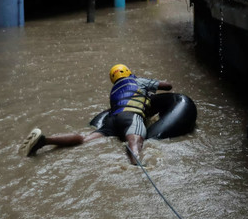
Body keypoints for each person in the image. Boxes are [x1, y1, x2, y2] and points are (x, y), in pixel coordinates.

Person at [20, 64, 172, 165]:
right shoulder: (138, 81)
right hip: (131, 116)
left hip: (112, 121)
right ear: (128, 72)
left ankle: (45, 140)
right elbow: (168, 86)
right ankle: (137, 167)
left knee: (84, 139)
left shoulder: (114, 91)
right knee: (135, 141)